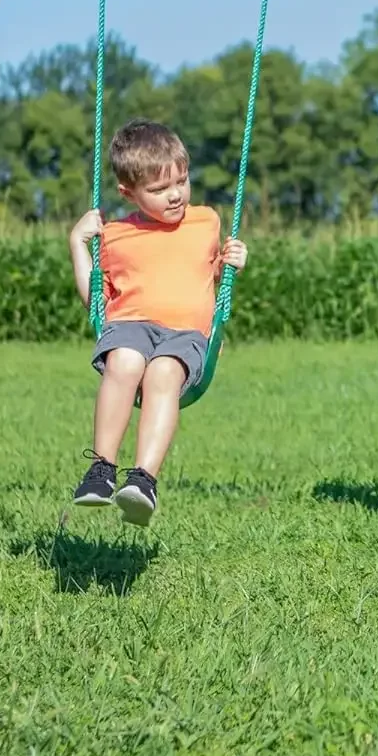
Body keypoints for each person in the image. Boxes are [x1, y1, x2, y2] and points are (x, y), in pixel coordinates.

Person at [67, 119, 247, 526]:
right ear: (128, 193)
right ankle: (101, 470)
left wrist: (234, 262)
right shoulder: (114, 235)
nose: (175, 195)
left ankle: (143, 480)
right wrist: (78, 244)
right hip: (129, 326)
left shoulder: (206, 223)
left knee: (164, 372)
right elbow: (95, 300)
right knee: (125, 361)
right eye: (159, 189)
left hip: (185, 335)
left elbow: (214, 277)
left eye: (181, 182)